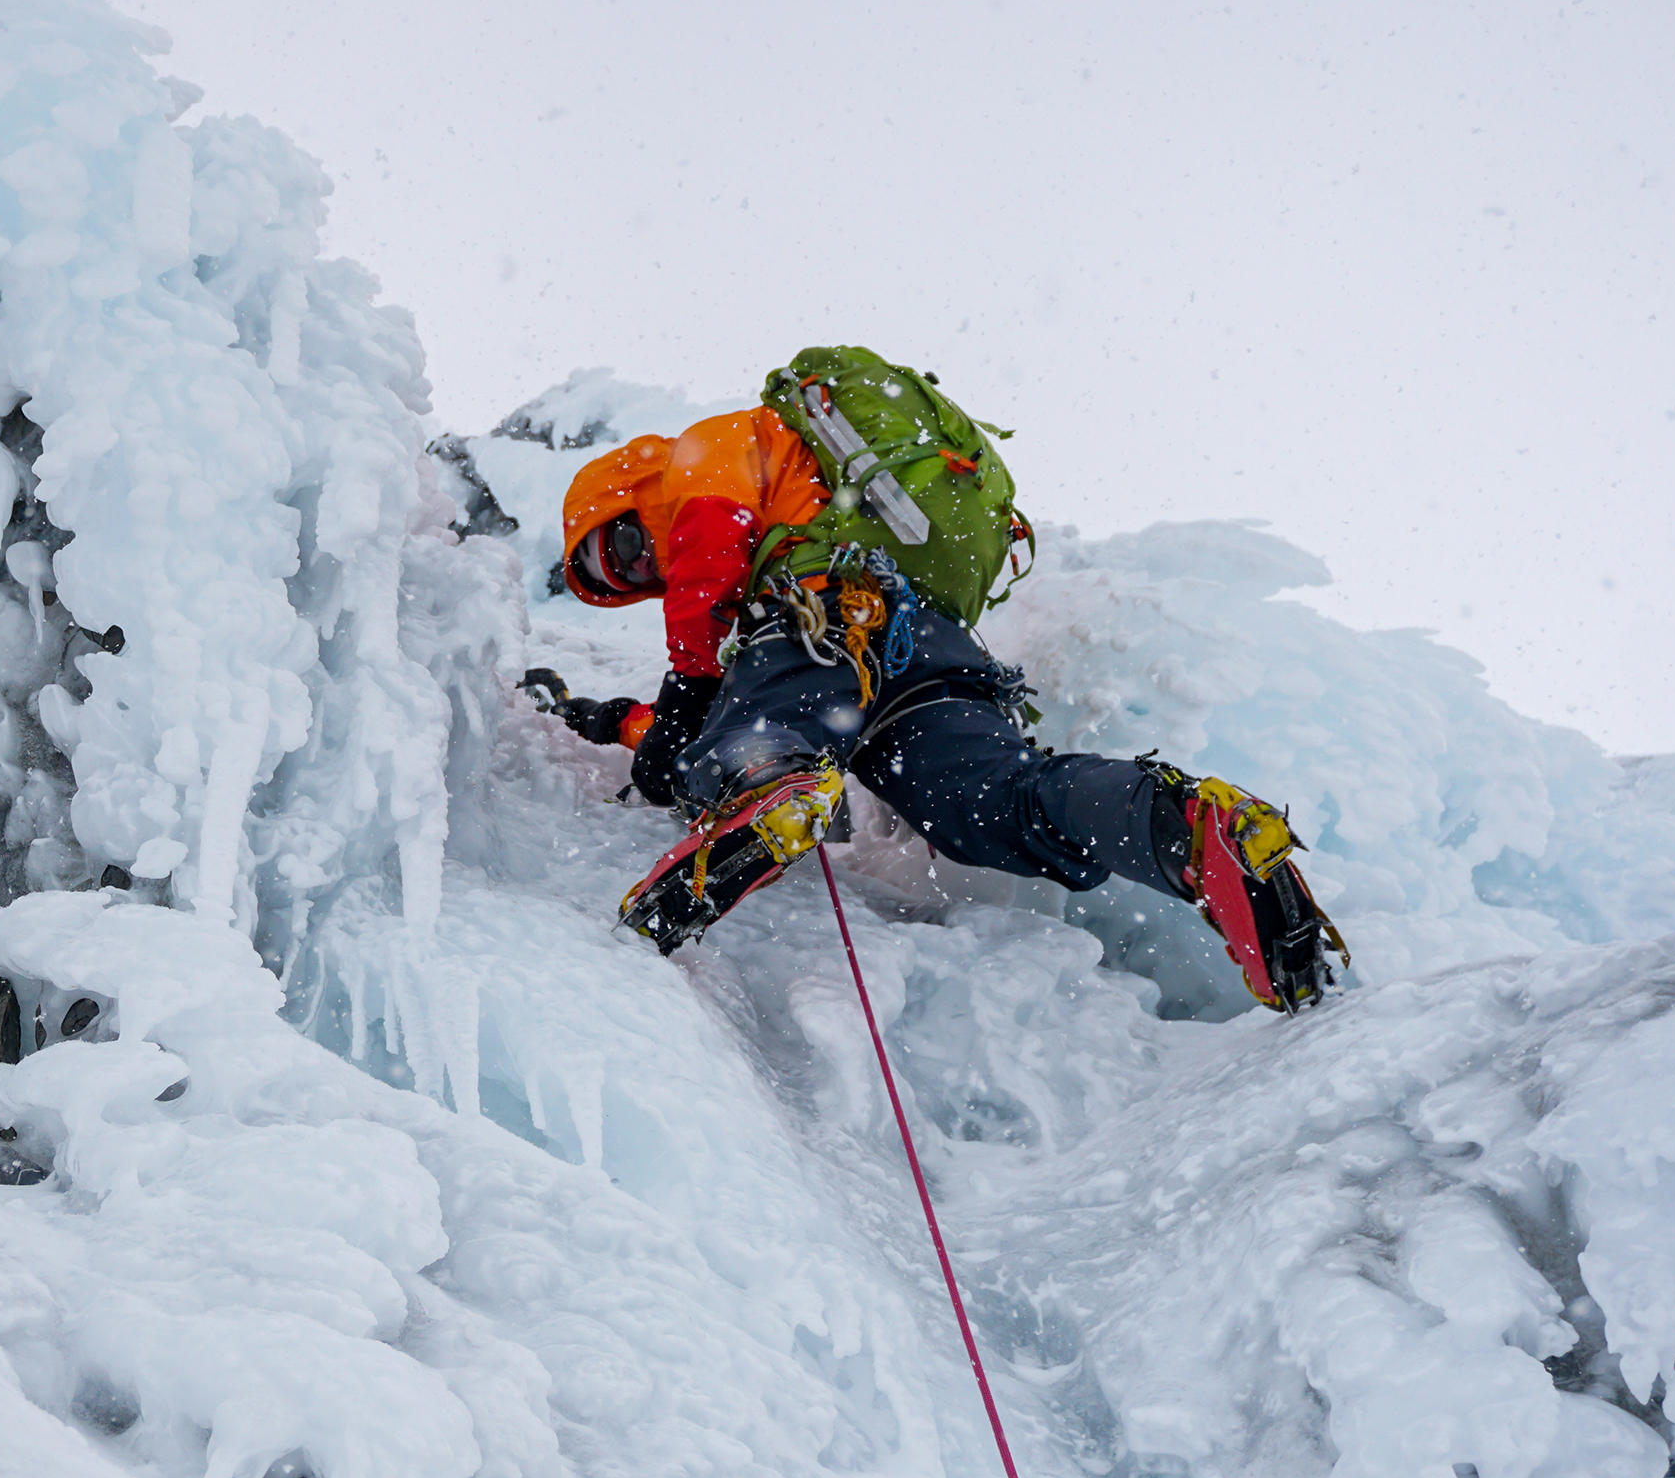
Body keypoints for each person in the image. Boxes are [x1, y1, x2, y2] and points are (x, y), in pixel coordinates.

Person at [541, 349, 1347, 1010]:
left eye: (616, 550)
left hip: (818, 612)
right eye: (619, 578)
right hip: (928, 647)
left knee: (753, 742)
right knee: (996, 802)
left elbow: (714, 562)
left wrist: (687, 703)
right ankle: (1176, 823)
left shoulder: (710, 449)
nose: (638, 568)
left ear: (622, 489)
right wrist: (628, 723)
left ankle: (774, 788)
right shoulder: (807, 482)